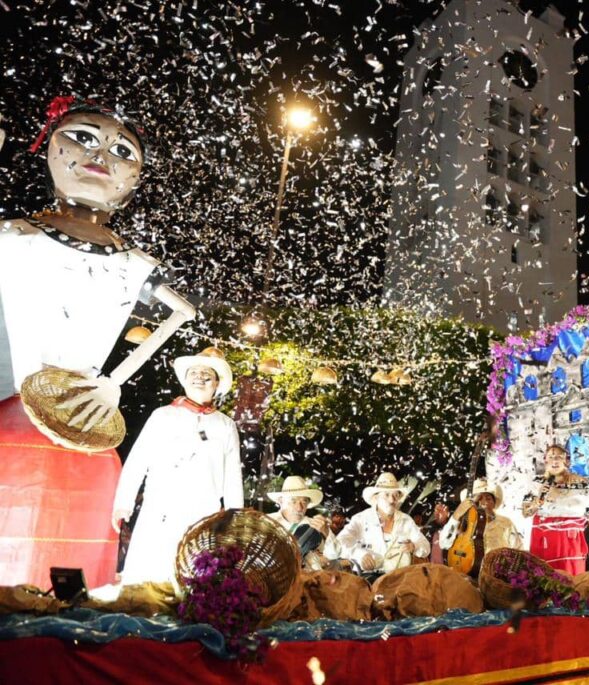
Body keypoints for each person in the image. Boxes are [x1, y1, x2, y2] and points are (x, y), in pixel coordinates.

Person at [0, 96, 196, 587]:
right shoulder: (13, 236)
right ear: (47, 148)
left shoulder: (135, 263)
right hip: (11, 415)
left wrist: (113, 383)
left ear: (135, 181)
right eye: (83, 138)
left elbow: (182, 312)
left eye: (122, 151)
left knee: (75, 565)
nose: (101, 156)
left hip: (86, 428)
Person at [110, 348, 243, 586]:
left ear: (217, 383)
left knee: (192, 582)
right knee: (147, 578)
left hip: (203, 515)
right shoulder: (163, 416)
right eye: (194, 372)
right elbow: (138, 461)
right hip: (159, 509)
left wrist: (236, 520)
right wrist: (123, 504)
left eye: (207, 374)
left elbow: (233, 476)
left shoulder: (226, 425)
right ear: (184, 379)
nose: (199, 377)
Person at [521, 445, 589, 576]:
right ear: (545, 461)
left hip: (571, 542)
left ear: (567, 461)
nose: (555, 461)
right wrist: (537, 501)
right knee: (546, 581)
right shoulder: (536, 483)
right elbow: (525, 512)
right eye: (551, 457)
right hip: (544, 542)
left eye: (558, 457)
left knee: (571, 581)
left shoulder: (582, 483)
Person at [337, 472, 430, 574]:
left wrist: (414, 546)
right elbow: (340, 542)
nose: (392, 500)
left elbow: (425, 546)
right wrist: (360, 555)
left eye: (395, 495)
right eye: (387, 495)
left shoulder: (406, 520)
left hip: (399, 580)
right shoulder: (361, 519)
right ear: (376, 497)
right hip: (368, 579)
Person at [437, 478, 523, 574]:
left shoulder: (505, 523)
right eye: (479, 498)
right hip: (465, 576)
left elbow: (519, 550)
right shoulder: (463, 521)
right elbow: (444, 543)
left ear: (494, 503)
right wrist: (456, 516)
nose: (483, 502)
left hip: (494, 579)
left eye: (488, 498)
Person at [267, 476, 343, 571]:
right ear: (281, 501)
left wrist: (326, 533)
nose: (299, 508)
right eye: (293, 501)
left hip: (307, 581)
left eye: (304, 501)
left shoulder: (315, 524)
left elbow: (335, 554)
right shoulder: (266, 521)